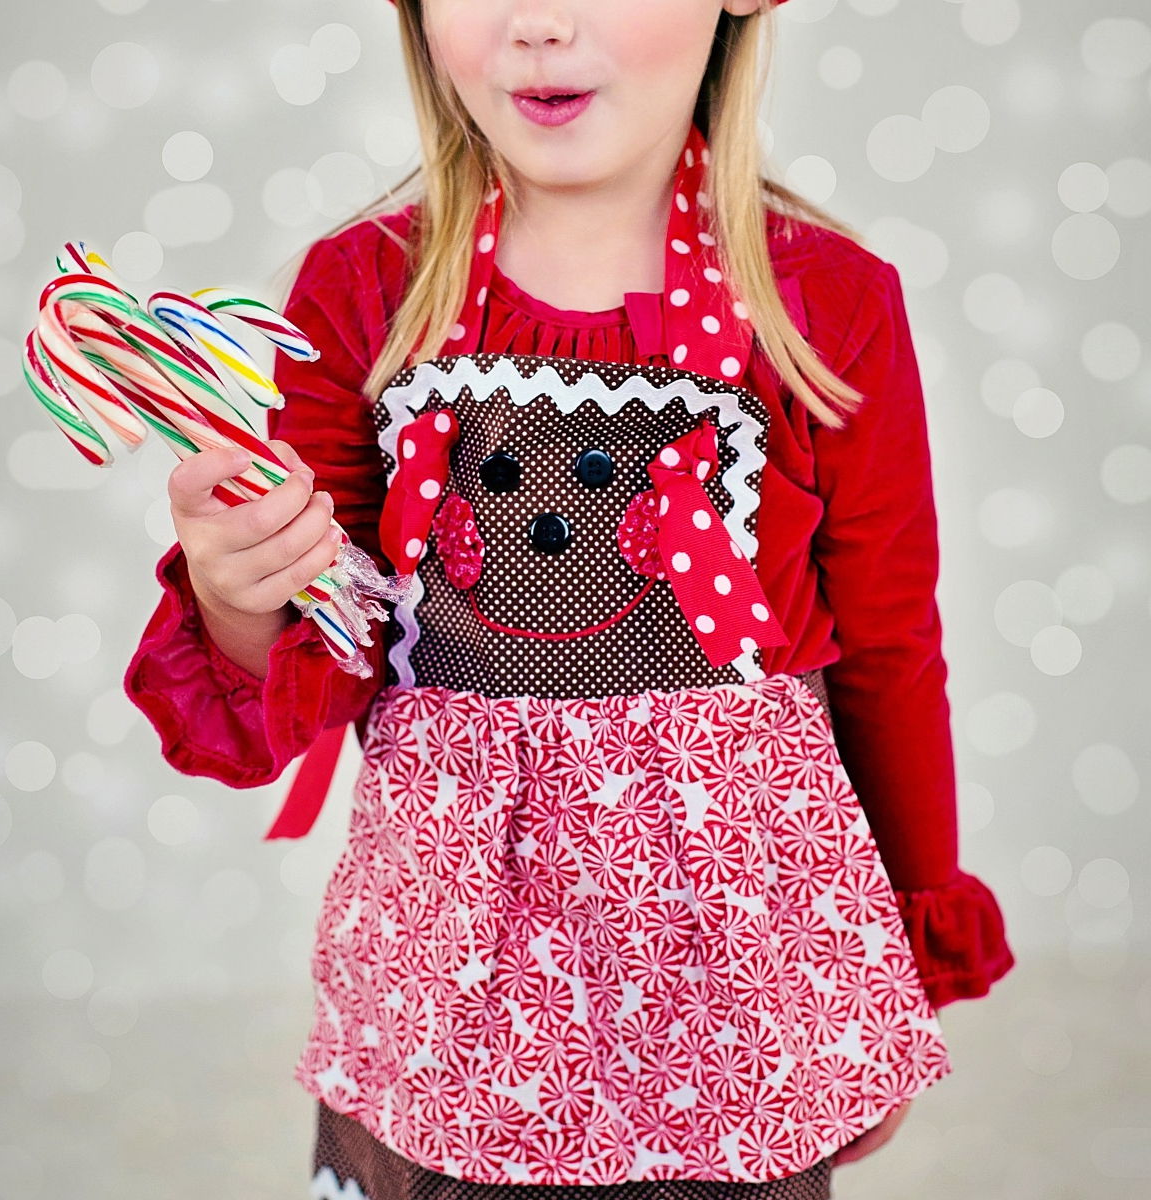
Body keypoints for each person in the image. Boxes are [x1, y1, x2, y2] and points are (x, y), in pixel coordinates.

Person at [125, 1, 1015, 1196]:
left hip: (732, 998)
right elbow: (317, 662)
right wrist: (242, 594)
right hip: (448, 990)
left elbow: (891, 654)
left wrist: (895, 957)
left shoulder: (830, 305)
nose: (539, 23)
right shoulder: (361, 294)